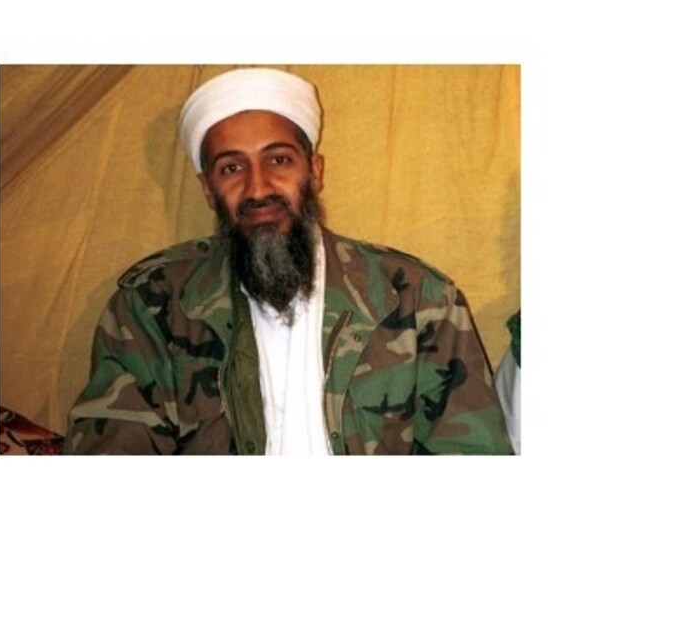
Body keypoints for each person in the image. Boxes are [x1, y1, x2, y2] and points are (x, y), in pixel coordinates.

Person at [66, 67, 513, 455]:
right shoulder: (153, 307)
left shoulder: (418, 298)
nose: (258, 188)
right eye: (232, 168)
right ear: (207, 189)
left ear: (314, 171)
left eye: (278, 160)